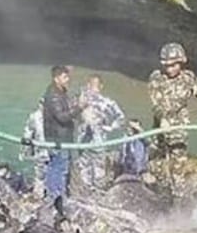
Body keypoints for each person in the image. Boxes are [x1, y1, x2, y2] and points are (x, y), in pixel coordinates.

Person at [41, 65, 85, 213]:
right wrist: (79, 108)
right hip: (57, 139)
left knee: (57, 167)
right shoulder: (53, 95)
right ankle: (57, 200)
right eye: (65, 77)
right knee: (59, 168)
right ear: (56, 78)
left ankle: (56, 197)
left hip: (62, 138)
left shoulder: (60, 91)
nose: (68, 79)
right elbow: (62, 117)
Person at [76, 75, 125, 190]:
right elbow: (72, 115)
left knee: (97, 170)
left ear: (101, 86)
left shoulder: (106, 102)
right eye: (91, 84)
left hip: (98, 142)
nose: (93, 87)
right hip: (84, 142)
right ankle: (88, 190)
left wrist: (111, 127)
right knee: (85, 168)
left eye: (95, 85)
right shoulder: (81, 101)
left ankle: (96, 190)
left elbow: (121, 118)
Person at [21, 98, 49, 196]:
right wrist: (26, 152)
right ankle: (39, 195)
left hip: (55, 153)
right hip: (41, 153)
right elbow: (28, 134)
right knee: (40, 177)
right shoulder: (35, 117)